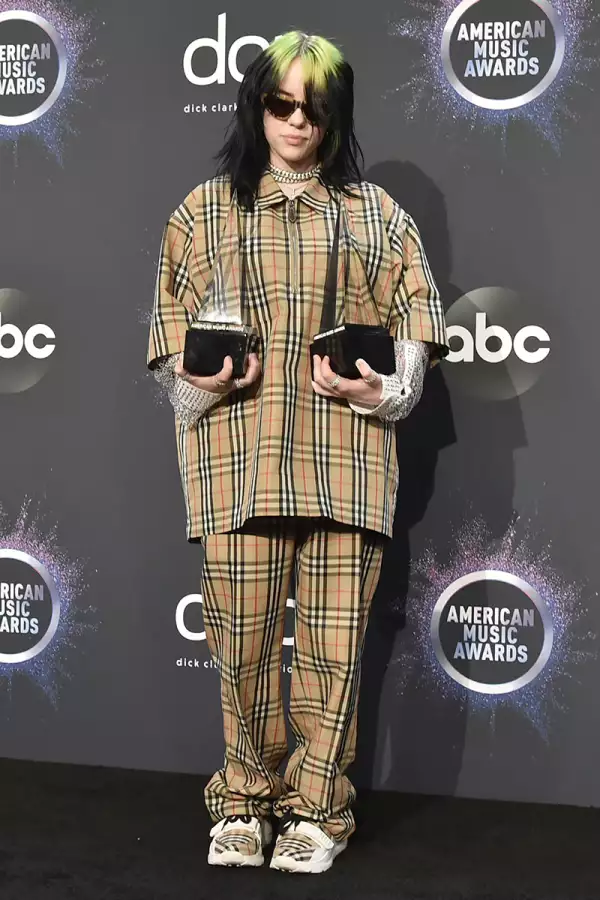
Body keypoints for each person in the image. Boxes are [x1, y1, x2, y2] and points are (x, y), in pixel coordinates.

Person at [147, 31, 448, 875]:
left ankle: (319, 809)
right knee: (240, 650)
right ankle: (243, 801)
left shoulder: (378, 216)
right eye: (281, 104)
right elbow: (172, 371)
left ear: (335, 116)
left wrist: (376, 392)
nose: (296, 123)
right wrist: (207, 380)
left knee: (332, 655)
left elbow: (412, 361)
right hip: (236, 467)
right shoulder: (201, 213)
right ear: (256, 107)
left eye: (314, 108)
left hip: (347, 465)